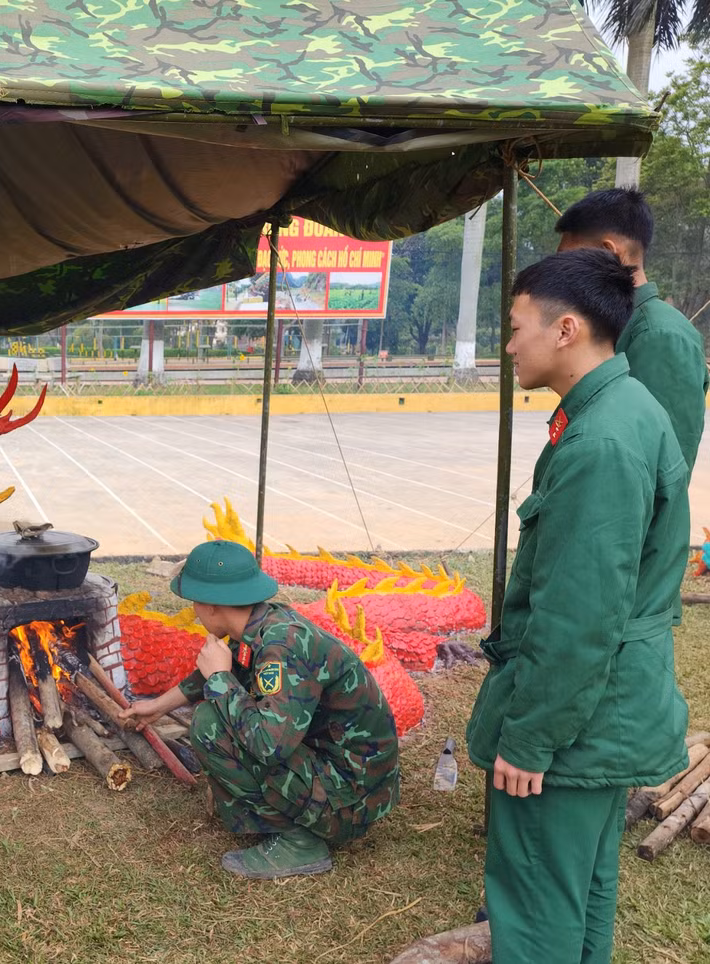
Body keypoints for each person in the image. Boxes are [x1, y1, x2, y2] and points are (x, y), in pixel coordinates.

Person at [467, 249, 690, 962]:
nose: (508, 344)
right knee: (580, 892)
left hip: (578, 723)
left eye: (516, 326)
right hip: (608, 709)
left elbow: (579, 616)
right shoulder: (623, 407)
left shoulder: (600, 441)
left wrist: (530, 737)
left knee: (535, 907)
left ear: (566, 330)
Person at [120, 539, 400, 879]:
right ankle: (286, 817)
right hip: (347, 774)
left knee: (210, 723)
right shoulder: (263, 624)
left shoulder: (282, 647)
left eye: (193, 601)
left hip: (353, 801)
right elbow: (224, 671)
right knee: (220, 710)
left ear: (210, 605)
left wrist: (220, 678)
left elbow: (269, 745)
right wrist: (157, 707)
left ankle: (301, 842)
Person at [556, 187, 709, 475]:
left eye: (568, 259)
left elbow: (661, 469)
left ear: (608, 252)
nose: (562, 272)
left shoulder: (659, 336)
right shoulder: (615, 326)